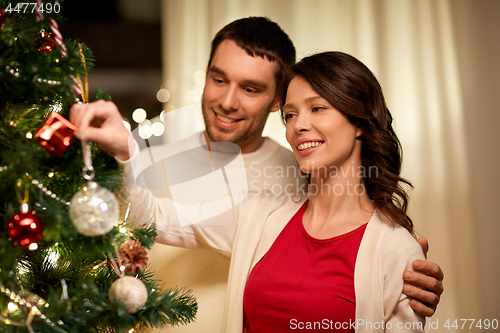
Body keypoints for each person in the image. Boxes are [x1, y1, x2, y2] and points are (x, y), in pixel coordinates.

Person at [70, 17, 443, 329]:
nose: (228, 101)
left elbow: (371, 240)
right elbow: (152, 215)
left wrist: (402, 257)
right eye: (293, 115)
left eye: (250, 88)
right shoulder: (261, 213)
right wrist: (125, 152)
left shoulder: (300, 188)